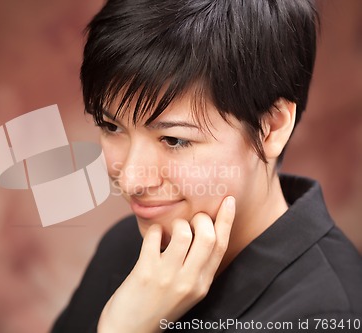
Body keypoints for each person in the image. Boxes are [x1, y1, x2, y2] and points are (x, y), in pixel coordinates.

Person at [52, 0, 362, 332]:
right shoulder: (127, 245)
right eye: (112, 127)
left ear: (271, 126)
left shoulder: (330, 312)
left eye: (173, 140)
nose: (129, 180)